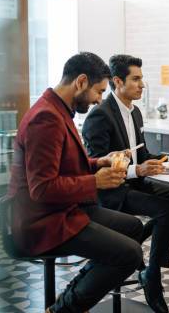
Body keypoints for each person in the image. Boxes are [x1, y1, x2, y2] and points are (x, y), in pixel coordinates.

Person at [7, 52, 144, 313]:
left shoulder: (58, 111)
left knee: (134, 227)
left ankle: (73, 293)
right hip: (42, 221)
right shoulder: (46, 119)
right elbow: (42, 189)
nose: (99, 101)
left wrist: (99, 162)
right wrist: (95, 182)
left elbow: (63, 166)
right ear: (81, 81)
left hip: (63, 209)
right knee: (130, 254)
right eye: (98, 91)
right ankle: (62, 310)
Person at [82, 54, 169, 313]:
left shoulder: (135, 112)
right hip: (112, 191)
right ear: (117, 81)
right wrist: (136, 170)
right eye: (136, 79)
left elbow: (143, 155)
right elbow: (97, 163)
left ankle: (137, 248)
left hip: (135, 184)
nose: (142, 84)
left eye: (142, 78)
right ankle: (152, 277)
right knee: (167, 210)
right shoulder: (99, 116)